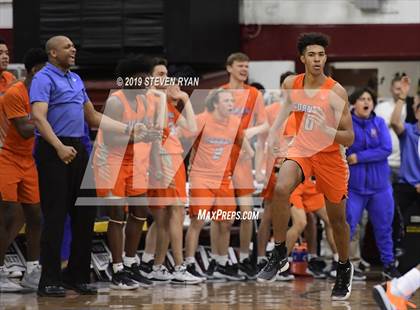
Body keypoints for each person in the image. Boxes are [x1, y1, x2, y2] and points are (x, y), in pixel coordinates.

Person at [30, 36, 146, 297]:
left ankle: (76, 275)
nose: (73, 50)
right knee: (56, 217)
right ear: (52, 52)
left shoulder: (75, 79)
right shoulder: (43, 78)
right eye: (67, 47)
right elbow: (38, 117)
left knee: (85, 216)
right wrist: (58, 146)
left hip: (79, 149)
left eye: (73, 46)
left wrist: (129, 129)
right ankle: (49, 279)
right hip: (54, 150)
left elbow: (92, 116)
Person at [258, 32, 354, 301]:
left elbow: (350, 137)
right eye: (311, 54)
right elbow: (286, 110)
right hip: (302, 149)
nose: (317, 59)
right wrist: (275, 136)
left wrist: (328, 130)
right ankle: (279, 253)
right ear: (302, 58)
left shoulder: (335, 92)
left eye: (321, 54)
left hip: (330, 156)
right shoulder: (292, 84)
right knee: (280, 188)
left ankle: (344, 267)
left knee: (337, 220)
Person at [93, 55, 164, 290]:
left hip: (135, 162)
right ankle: (117, 268)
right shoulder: (116, 101)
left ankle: (132, 263)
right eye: (141, 77)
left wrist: (155, 161)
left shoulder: (147, 102)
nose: (146, 81)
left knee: (141, 212)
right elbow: (112, 137)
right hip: (111, 162)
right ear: (128, 79)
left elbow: (149, 137)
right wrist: (137, 136)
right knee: (117, 216)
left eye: (147, 77)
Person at [142, 58, 201, 284]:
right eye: (160, 74)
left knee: (165, 219)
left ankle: (156, 265)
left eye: (166, 74)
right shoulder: (150, 100)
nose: (165, 79)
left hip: (174, 161)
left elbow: (192, 129)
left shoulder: (168, 103)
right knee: (174, 215)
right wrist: (158, 166)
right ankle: (177, 266)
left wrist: (185, 98)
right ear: (149, 78)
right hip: (163, 161)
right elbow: (155, 136)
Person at [184, 89, 252, 281]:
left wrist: (247, 152)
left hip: (223, 178)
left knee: (226, 222)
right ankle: (189, 264)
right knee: (198, 221)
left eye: (232, 100)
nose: (231, 103)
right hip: (201, 177)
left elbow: (246, 148)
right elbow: (184, 139)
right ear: (215, 104)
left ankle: (220, 263)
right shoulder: (200, 119)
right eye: (227, 100)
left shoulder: (234, 123)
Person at [0, 48, 47, 292]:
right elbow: (25, 129)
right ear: (36, 71)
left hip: (27, 158)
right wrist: (47, 121)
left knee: (35, 216)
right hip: (5, 156)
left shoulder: (39, 90)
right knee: (8, 213)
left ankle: (32, 269)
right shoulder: (14, 93)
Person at [221, 52, 268, 279]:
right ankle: (218, 260)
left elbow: (264, 126)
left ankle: (244, 258)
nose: (244, 70)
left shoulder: (254, 94)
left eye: (247, 66)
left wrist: (246, 133)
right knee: (223, 216)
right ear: (229, 68)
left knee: (248, 212)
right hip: (220, 160)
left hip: (242, 159)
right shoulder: (219, 94)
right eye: (240, 66)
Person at [346, 87, 399, 280]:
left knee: (384, 228)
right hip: (355, 188)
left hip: (380, 188)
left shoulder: (379, 122)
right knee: (349, 227)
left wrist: (358, 157)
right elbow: (343, 151)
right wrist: (353, 157)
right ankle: (346, 266)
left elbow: (386, 148)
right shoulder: (346, 123)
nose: (366, 102)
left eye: (369, 99)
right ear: (354, 103)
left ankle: (388, 265)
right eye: (362, 99)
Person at [390, 76, 420, 240]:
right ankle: (396, 254)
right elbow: (394, 122)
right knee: (393, 217)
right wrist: (402, 96)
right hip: (406, 185)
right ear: (416, 113)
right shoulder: (408, 131)